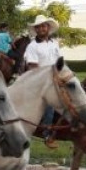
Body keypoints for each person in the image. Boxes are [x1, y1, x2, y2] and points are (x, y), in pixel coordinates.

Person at [24, 14, 62, 149]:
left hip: (56, 79)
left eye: (43, 26)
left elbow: (60, 63)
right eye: (38, 27)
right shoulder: (32, 46)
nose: (41, 29)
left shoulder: (54, 43)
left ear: (48, 27)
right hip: (40, 82)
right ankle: (46, 134)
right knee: (50, 102)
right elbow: (33, 69)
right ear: (35, 30)